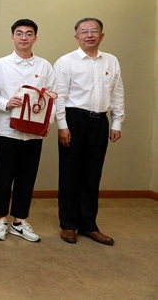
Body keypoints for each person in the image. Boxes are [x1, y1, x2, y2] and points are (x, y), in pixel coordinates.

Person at [54, 17, 124, 245]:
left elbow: (117, 93)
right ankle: (68, 224)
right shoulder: (65, 62)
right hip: (74, 120)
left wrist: (116, 122)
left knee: (93, 174)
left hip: (99, 121)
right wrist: (62, 126)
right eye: (84, 31)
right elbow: (59, 97)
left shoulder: (111, 61)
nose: (90, 35)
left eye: (94, 30)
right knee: (70, 174)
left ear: (102, 36)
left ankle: (88, 224)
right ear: (76, 37)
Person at [0, 19, 55, 243]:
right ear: (12, 37)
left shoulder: (44, 66)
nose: (24, 37)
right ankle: (1, 219)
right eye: (19, 33)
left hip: (34, 133)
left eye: (28, 33)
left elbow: (53, 97)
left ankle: (19, 221)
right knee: (4, 177)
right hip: (6, 131)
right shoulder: (1, 65)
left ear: (35, 37)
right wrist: (7, 103)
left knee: (27, 177)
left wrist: (47, 123)